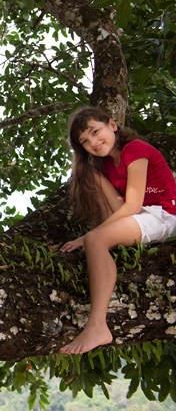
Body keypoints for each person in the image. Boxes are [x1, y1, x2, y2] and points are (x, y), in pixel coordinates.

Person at [60, 106, 176, 353]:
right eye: (85, 141)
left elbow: (133, 205)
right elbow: (123, 208)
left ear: (112, 125)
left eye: (95, 131)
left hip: (163, 214)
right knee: (90, 178)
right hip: (141, 214)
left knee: (94, 240)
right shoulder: (104, 166)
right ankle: (104, 248)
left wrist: (85, 238)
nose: (93, 141)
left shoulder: (134, 149)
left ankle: (98, 325)